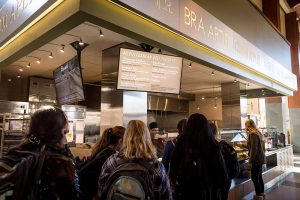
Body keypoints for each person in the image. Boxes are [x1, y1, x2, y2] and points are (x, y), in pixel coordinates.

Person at [10, 106, 81, 199]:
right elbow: (73, 195)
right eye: (65, 132)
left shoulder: (15, 152)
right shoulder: (59, 162)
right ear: (61, 132)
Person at [98, 120, 172, 199]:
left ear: (125, 137)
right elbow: (167, 197)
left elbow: (102, 191)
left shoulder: (111, 161)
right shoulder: (156, 167)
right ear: (147, 138)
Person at [170, 113, 228, 200]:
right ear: (206, 127)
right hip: (209, 193)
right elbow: (222, 177)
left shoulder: (181, 143)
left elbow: (173, 168)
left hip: (185, 192)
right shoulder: (212, 145)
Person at [78, 126, 125, 200]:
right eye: (126, 142)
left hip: (83, 191)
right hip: (85, 193)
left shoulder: (105, 150)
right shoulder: (110, 154)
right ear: (120, 141)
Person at [210, 122, 234, 200]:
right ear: (216, 131)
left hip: (218, 180)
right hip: (227, 178)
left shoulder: (210, 145)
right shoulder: (223, 143)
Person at [245, 119, 266, 200]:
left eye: (246, 124)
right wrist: (243, 145)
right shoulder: (258, 132)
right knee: (259, 177)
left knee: (254, 178)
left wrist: (250, 162)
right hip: (260, 158)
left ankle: (258, 196)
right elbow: (253, 146)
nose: (245, 127)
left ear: (249, 125)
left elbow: (254, 149)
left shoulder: (252, 134)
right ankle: (261, 194)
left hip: (256, 159)